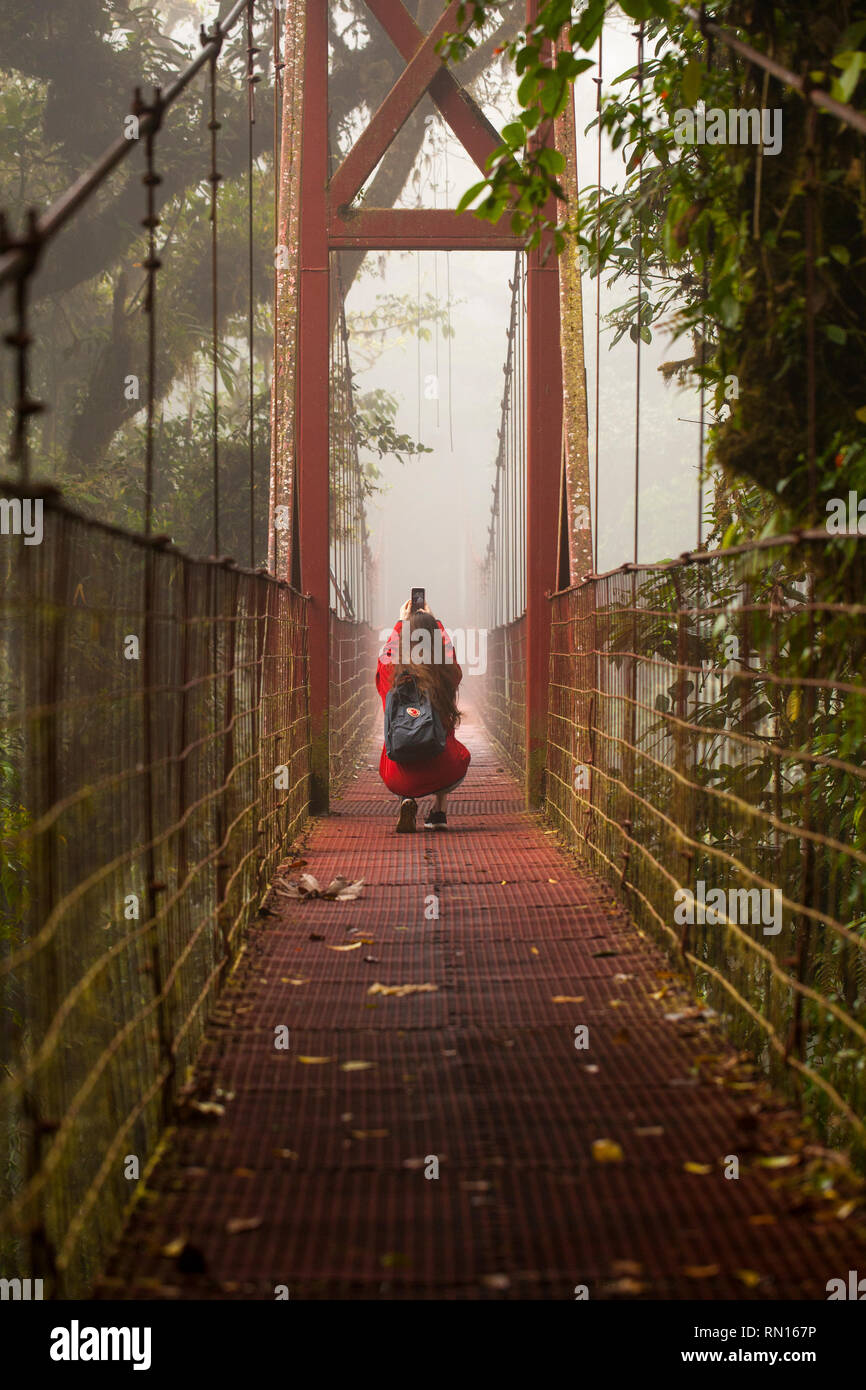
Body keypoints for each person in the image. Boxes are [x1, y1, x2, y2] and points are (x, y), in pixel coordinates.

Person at [376, 598, 470, 832]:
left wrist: (400, 623)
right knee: (447, 742)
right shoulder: (445, 673)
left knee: (398, 737)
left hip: (399, 777)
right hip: (444, 771)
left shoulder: (393, 674)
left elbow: (384, 660)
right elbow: (450, 656)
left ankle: (406, 798)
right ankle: (439, 811)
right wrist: (435, 623)